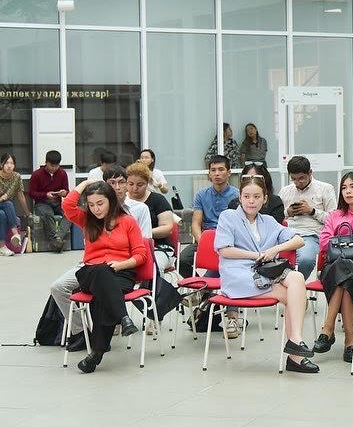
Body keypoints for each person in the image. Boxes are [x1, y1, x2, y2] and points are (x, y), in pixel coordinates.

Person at [215, 174, 317, 373]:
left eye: (256, 197)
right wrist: (257, 255)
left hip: (262, 273)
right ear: (240, 198)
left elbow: (299, 240)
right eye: (246, 196)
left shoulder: (268, 221)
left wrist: (274, 249)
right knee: (292, 296)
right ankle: (295, 354)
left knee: (296, 278)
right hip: (238, 275)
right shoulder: (228, 217)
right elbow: (224, 250)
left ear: (265, 198)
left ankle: (295, 341)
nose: (251, 201)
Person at [62, 179, 147, 373]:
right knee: (101, 271)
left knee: (103, 297)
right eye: (91, 205)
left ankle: (96, 355)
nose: (96, 209)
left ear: (111, 200)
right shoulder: (86, 219)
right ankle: (123, 317)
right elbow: (68, 205)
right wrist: (85, 184)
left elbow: (141, 255)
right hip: (91, 273)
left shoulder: (128, 221)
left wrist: (121, 265)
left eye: (100, 203)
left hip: (121, 272)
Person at [313, 171, 353, 363]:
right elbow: (324, 243)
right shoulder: (334, 215)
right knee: (345, 271)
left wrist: (346, 243)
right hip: (332, 266)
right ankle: (350, 342)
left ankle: (328, 329)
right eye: (344, 188)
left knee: (346, 271)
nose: (347, 191)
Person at [178, 157, 240, 337]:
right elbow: (196, 223)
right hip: (207, 240)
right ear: (209, 174)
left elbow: (239, 225)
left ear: (229, 173)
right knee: (182, 260)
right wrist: (203, 243)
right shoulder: (202, 195)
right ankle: (203, 292)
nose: (217, 174)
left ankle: (205, 295)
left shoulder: (237, 195)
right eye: (213, 170)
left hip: (229, 242)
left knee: (227, 268)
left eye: (221, 170)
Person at [278, 155, 336, 279]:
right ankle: (288, 285)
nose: (298, 182)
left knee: (306, 259)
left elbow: (333, 219)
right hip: (287, 234)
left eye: (301, 178)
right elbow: (275, 217)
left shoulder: (325, 189)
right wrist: (288, 212)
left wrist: (312, 211)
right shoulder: (285, 191)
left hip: (310, 234)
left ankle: (296, 284)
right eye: (293, 179)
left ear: (310, 173)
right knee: (270, 257)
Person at [125, 162, 178, 273]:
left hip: (159, 247)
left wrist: (140, 234)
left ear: (148, 183)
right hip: (128, 248)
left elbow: (167, 228)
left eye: (140, 185)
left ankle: (157, 284)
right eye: (130, 184)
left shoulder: (158, 200)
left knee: (152, 267)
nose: (134, 188)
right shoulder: (122, 201)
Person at [29, 150, 70, 252]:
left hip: (57, 203)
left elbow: (67, 191)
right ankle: (55, 240)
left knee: (69, 214)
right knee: (48, 214)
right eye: (52, 165)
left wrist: (64, 193)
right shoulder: (37, 174)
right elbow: (31, 193)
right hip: (41, 203)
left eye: (57, 166)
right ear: (46, 162)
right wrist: (45, 195)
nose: (54, 168)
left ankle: (57, 238)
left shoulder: (62, 173)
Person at [0, 153, 28, 256]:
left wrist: (27, 212)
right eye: (6, 163)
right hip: (5, 203)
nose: (9, 165)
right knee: (8, 204)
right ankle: (16, 234)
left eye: (12, 163)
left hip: (5, 207)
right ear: (1, 164)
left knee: (2, 214)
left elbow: (21, 195)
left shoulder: (16, 176)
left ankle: (2, 247)